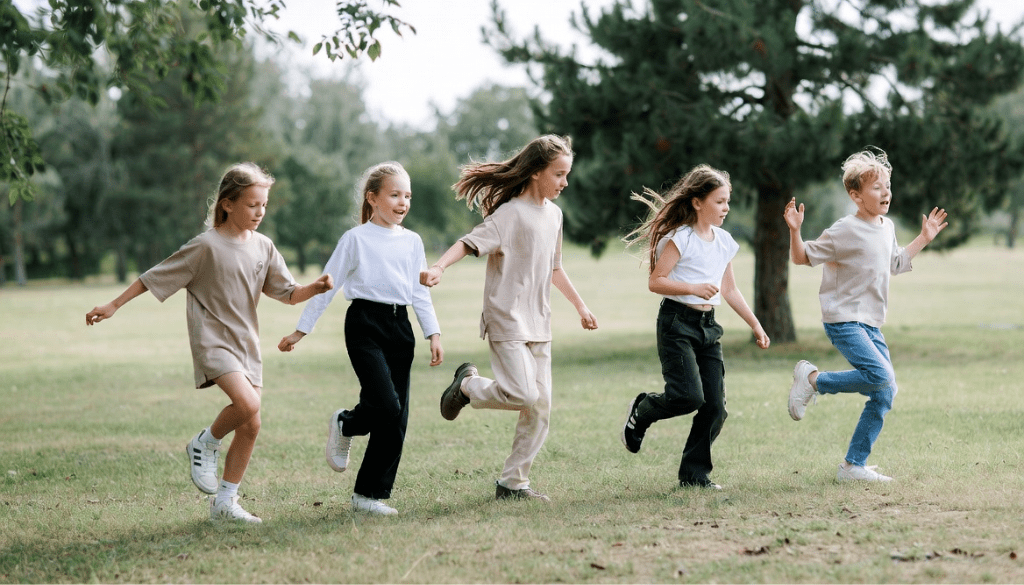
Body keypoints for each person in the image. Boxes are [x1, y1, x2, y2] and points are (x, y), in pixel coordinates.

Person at [85, 163, 333, 523]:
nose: (260, 212)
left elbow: (289, 293)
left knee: (251, 423)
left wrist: (316, 287)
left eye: (263, 205)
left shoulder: (264, 246)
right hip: (213, 341)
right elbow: (152, 277)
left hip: (246, 343)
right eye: (252, 205)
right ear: (228, 204)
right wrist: (113, 305)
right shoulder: (205, 247)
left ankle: (225, 503)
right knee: (246, 404)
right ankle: (205, 442)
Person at [419, 135, 598, 503]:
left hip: (539, 322)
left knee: (540, 407)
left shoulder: (555, 214)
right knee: (522, 393)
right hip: (507, 318)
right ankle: (467, 386)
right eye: (559, 174)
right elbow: (469, 242)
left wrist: (580, 306)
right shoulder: (509, 215)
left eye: (567, 175)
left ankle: (513, 484)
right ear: (535, 173)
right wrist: (438, 266)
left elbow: (555, 267)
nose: (565, 182)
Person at [278, 162, 443, 516]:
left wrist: (433, 332)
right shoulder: (355, 239)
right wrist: (300, 330)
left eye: (407, 196)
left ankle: (368, 496)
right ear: (373, 198)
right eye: (395, 195)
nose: (403, 202)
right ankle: (346, 423)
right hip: (365, 325)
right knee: (386, 404)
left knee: (397, 418)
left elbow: (420, 292)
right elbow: (327, 286)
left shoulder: (412, 241)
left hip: (401, 329)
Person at [785, 148, 948, 482]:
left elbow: (896, 264)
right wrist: (794, 230)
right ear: (855, 195)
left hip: (871, 322)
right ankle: (814, 380)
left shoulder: (886, 228)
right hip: (844, 319)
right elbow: (802, 258)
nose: (886, 192)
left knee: (885, 391)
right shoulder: (843, 230)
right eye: (877, 187)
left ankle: (852, 467)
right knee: (881, 376)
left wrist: (924, 237)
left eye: (887, 185)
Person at [621, 164, 770, 490]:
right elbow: (656, 281)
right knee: (688, 396)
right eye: (719, 201)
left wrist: (756, 326)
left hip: (707, 328)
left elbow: (729, 289)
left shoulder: (725, 241)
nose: (726, 208)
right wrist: (693, 287)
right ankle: (644, 410)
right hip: (677, 324)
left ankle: (694, 475)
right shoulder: (680, 239)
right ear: (698, 202)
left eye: (727, 201)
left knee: (715, 407)